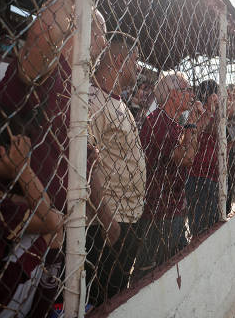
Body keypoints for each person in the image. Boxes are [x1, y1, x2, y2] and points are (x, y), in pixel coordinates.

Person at [0, 0, 118, 317]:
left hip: (58, 233)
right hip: (21, 230)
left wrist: (104, 215)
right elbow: (41, 41)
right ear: (76, 27)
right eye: (100, 30)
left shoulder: (77, 87)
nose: (105, 41)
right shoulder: (47, 71)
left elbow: (88, 158)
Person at [0, 103, 63, 317]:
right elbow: (49, 219)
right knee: (54, 228)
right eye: (16, 146)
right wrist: (23, 168)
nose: (24, 153)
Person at [85, 32, 145, 306]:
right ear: (120, 60)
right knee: (101, 300)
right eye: (136, 60)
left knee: (116, 297)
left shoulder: (119, 102)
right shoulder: (94, 100)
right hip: (106, 223)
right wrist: (107, 219)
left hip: (127, 217)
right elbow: (85, 163)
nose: (140, 67)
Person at [134, 72, 207, 279]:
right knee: (150, 272)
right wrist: (192, 122)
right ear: (173, 95)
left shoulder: (173, 122)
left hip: (171, 205)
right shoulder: (158, 122)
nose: (192, 94)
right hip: (159, 209)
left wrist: (195, 122)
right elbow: (187, 158)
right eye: (187, 90)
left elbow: (190, 150)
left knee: (174, 264)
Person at [187, 76, 235, 236]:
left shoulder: (216, 116)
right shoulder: (200, 114)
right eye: (218, 94)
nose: (222, 98)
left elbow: (223, 147)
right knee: (202, 228)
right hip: (200, 177)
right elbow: (210, 129)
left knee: (217, 221)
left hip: (217, 176)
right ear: (210, 96)